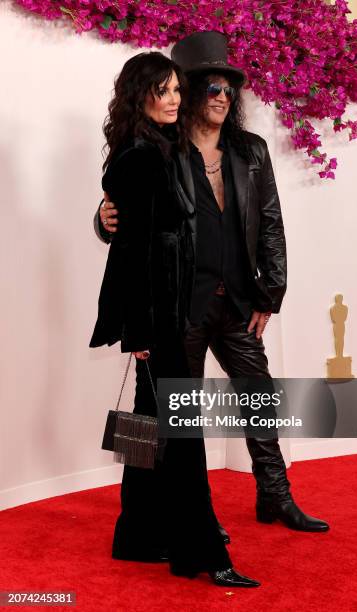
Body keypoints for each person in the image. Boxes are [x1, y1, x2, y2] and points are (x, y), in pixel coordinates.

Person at [95, 32, 329, 535]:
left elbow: (271, 224)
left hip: (239, 300)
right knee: (177, 415)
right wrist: (102, 217)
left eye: (229, 89)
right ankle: (190, 514)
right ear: (187, 89)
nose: (222, 96)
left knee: (259, 396)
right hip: (181, 304)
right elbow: (129, 221)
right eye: (210, 88)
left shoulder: (252, 152)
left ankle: (275, 494)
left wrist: (272, 292)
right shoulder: (161, 149)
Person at [89, 51, 260, 587]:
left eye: (175, 92)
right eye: (161, 91)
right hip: (159, 319)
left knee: (154, 426)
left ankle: (138, 536)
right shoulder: (140, 158)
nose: (172, 101)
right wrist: (139, 330)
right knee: (183, 438)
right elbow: (133, 253)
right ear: (138, 94)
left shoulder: (160, 150)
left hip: (172, 311)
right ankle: (201, 551)